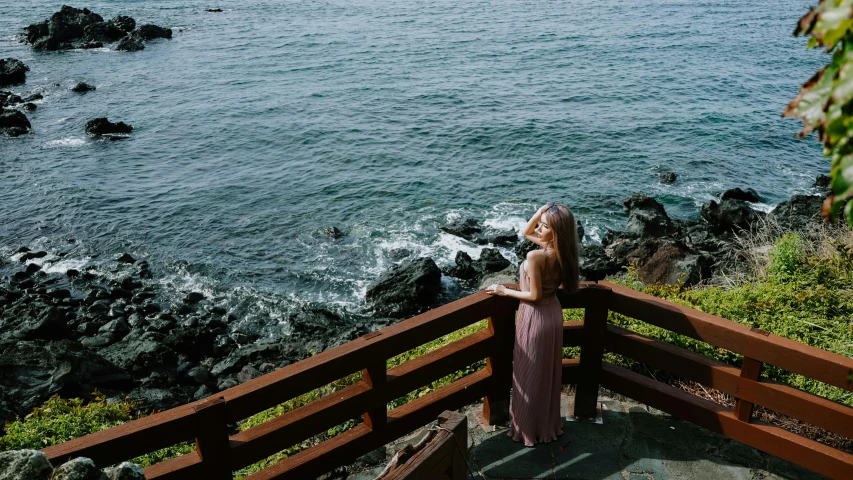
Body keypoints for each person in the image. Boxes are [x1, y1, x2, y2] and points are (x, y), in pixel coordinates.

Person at [486, 202, 580, 446]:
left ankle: (527, 429)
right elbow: (527, 233)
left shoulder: (536, 256)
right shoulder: (562, 251)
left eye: (545, 227)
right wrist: (540, 213)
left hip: (535, 317)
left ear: (556, 232)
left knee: (528, 373)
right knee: (546, 373)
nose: (538, 229)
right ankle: (546, 425)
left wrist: (504, 290)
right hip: (553, 314)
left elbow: (534, 296)